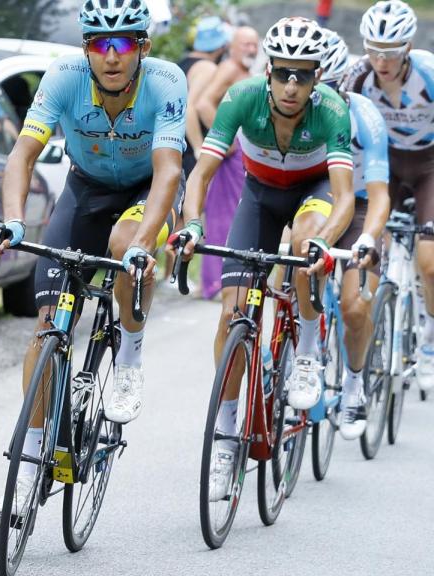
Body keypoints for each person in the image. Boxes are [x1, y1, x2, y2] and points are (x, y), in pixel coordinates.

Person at [0, 0, 186, 512]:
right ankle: (32, 459)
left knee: (125, 246)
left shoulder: (165, 81)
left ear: (142, 46)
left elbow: (168, 171)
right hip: (85, 189)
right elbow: (23, 155)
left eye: (122, 44)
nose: (111, 56)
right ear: (86, 49)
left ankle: (129, 360)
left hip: (146, 189)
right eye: (100, 44)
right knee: (48, 323)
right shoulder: (64, 76)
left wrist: (145, 241)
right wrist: (12, 218)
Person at [171, 17, 354, 502]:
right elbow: (202, 173)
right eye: (283, 73)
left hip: (312, 193)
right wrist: (192, 224)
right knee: (233, 311)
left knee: (306, 240)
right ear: (268, 71)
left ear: (317, 79)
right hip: (259, 194)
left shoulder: (332, 111)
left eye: (305, 75)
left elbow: (345, 196)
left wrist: (325, 241)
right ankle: (227, 437)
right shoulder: (242, 97)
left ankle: (310, 351)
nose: (292, 86)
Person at [343, 0, 434, 393]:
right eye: (373, 49)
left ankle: (428, 342)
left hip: (430, 165)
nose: (381, 60)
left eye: (391, 51)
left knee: (430, 264)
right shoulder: (356, 76)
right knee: (368, 249)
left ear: (408, 47)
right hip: (386, 166)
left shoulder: (429, 74)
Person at [319, 30, 391, 439]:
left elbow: (381, 194)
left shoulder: (365, 115)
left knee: (354, 308)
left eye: (329, 88)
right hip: (314, 199)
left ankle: (353, 385)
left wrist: (370, 236)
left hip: (361, 203)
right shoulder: (289, 108)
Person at [194, 25, 260, 300]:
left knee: (235, 215)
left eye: (255, 44)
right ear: (232, 46)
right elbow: (203, 104)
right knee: (222, 217)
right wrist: (226, 140)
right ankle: (215, 283)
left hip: (242, 156)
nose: (252, 49)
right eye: (246, 44)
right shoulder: (230, 69)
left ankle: (227, 279)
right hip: (229, 155)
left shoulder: (244, 71)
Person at [178, 16, 230, 177]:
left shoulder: (181, 63)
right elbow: (191, 106)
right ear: (221, 46)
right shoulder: (207, 68)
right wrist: (198, 148)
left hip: (175, 148)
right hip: (190, 152)